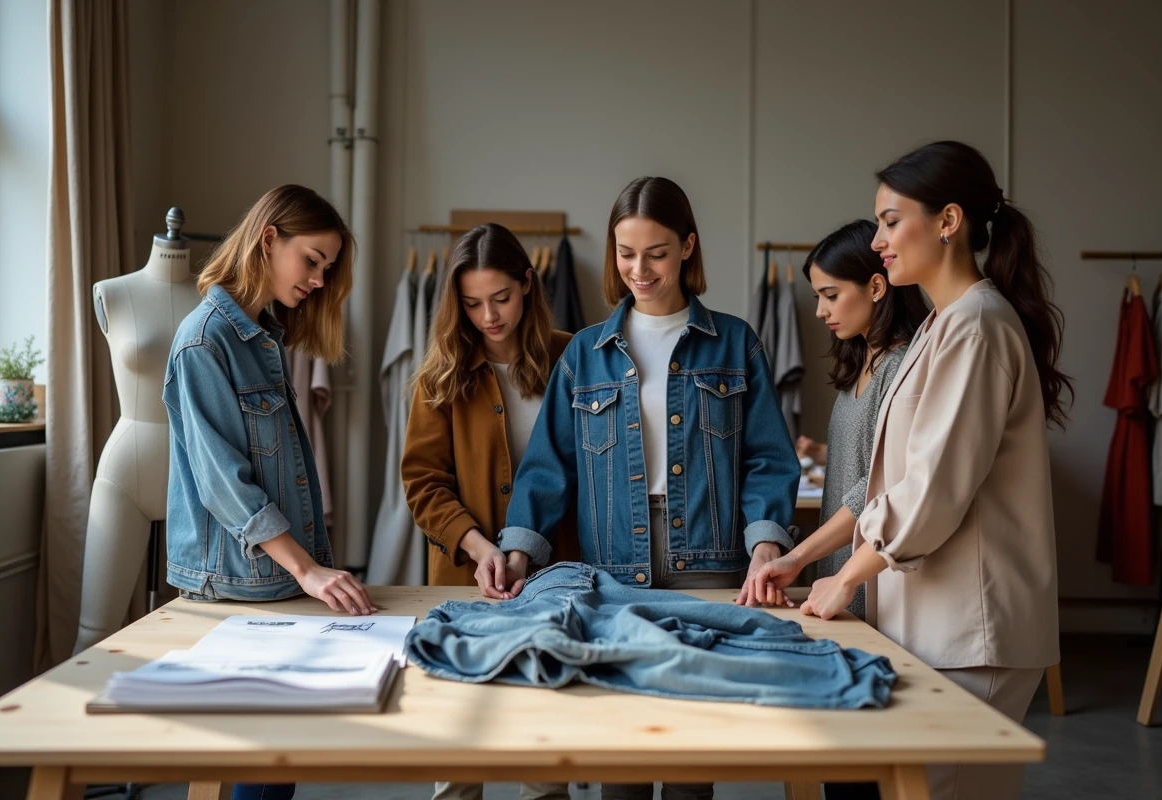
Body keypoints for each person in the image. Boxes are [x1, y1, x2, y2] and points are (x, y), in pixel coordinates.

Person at [749, 141, 1071, 800]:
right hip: (939, 626)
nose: (879, 240)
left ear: (948, 221)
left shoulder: (976, 327)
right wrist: (802, 558)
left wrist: (844, 583)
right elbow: (884, 487)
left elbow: (930, 491)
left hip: (969, 631)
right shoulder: (943, 328)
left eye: (892, 221)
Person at [497, 176, 801, 800]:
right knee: (624, 757)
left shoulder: (737, 343)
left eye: (656, 253)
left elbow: (768, 458)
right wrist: (520, 547)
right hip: (613, 565)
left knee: (694, 755)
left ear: (688, 247)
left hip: (712, 564)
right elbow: (549, 465)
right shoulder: (585, 353)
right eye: (625, 252)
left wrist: (767, 543)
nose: (639, 269)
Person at [163, 185, 371, 800]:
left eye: (327, 269)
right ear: (269, 238)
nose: (318, 279)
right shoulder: (205, 340)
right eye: (312, 260)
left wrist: (307, 570)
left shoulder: (265, 338)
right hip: (233, 585)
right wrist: (309, 570)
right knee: (254, 772)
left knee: (277, 770)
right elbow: (224, 483)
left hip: (277, 579)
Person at [401, 222, 576, 800]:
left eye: (501, 298)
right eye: (473, 304)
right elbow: (423, 484)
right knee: (456, 753)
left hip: (556, 575)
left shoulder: (572, 357)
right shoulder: (440, 374)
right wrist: (478, 547)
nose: (489, 317)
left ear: (528, 284)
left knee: (545, 747)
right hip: (465, 579)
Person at [737, 220, 927, 617]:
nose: (821, 311)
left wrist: (799, 557)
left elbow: (878, 487)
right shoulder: (861, 364)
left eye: (831, 295)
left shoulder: (901, 366)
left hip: (870, 575)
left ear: (876, 287)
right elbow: (867, 455)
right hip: (838, 567)